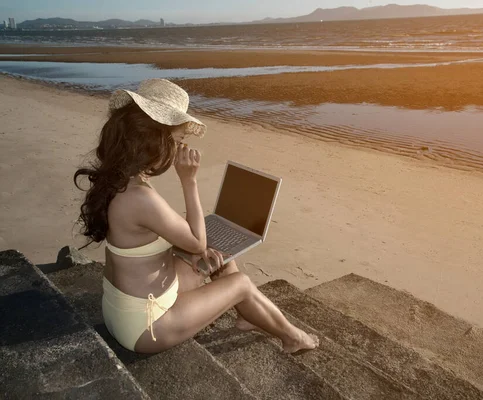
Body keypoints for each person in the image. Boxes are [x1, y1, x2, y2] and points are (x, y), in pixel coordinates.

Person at [74, 78, 318, 354]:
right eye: (178, 140)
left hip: (130, 304)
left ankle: (246, 315)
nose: (180, 149)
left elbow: (176, 243)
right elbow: (197, 242)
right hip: (146, 325)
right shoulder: (140, 197)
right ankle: (293, 338)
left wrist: (192, 253)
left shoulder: (121, 180)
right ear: (155, 140)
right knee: (239, 282)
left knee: (221, 256)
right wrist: (189, 181)